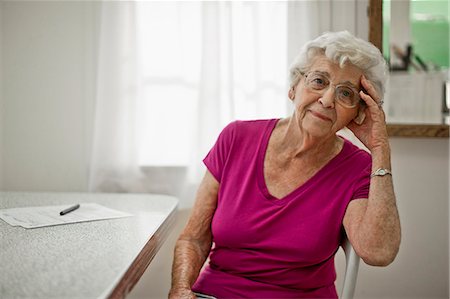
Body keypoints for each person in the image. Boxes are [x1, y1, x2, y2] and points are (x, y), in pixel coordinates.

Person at [169, 31, 401, 299]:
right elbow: (194, 238)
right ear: (294, 87)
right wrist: (180, 290)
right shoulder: (236, 138)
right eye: (318, 81)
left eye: (345, 93)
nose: (326, 99)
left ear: (358, 112)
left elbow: (378, 252)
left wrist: (380, 148)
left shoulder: (357, 168)